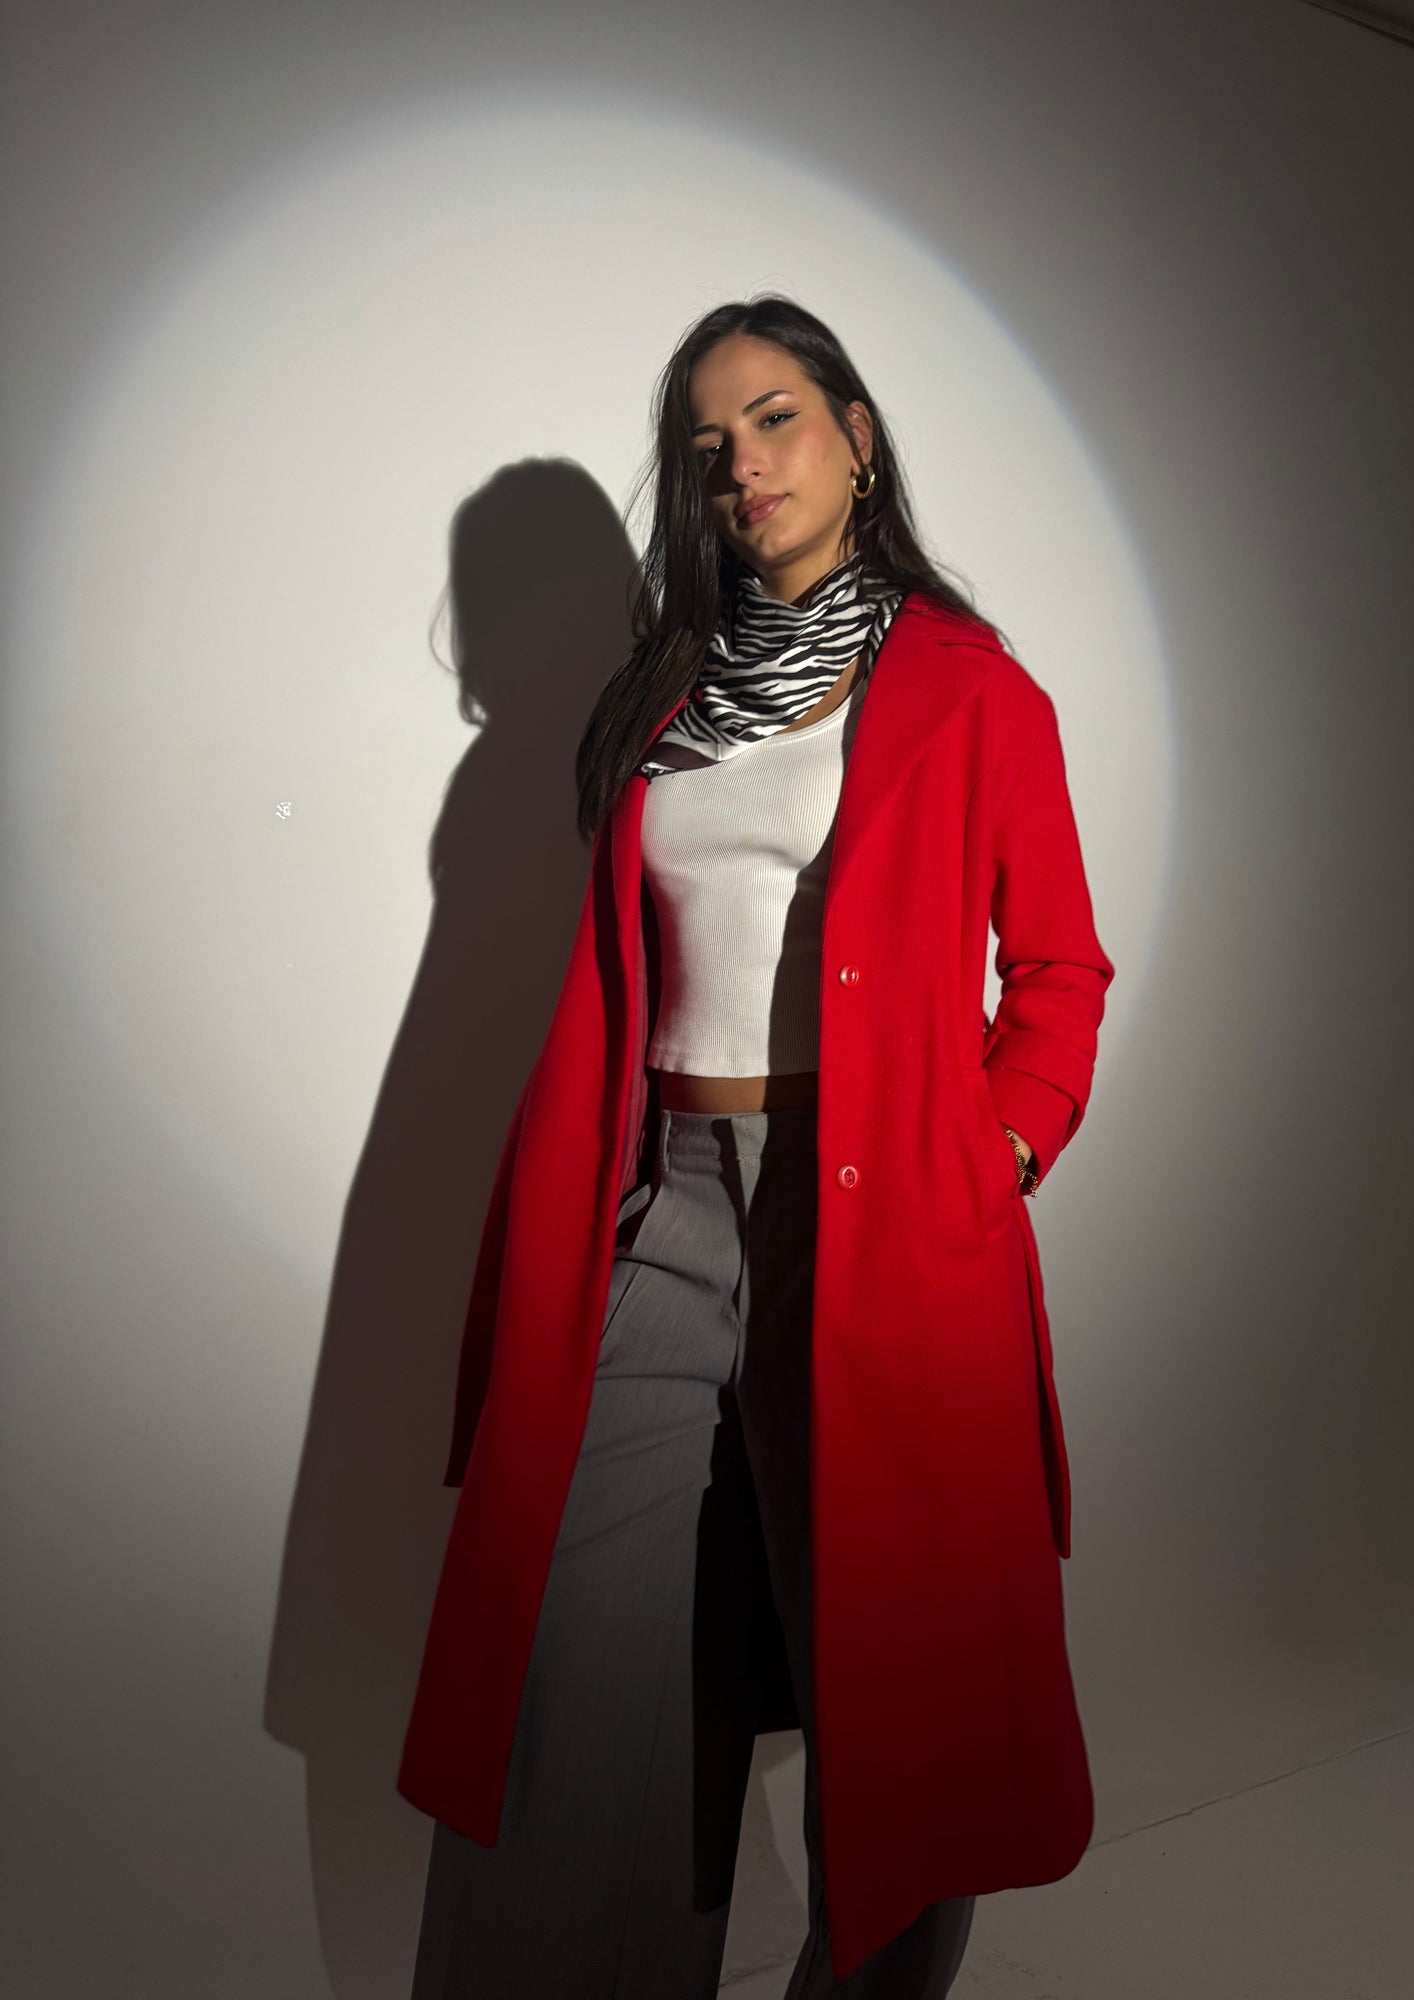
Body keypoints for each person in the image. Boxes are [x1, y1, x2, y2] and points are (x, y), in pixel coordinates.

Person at [401, 295, 1115, 1996]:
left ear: (857, 437)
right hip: (658, 1212)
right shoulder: (662, 701)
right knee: (579, 1675)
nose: (743, 464)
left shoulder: (972, 691)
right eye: (710, 442)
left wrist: (997, 1157)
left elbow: (1061, 972)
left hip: (877, 1225)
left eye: (776, 418)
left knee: (908, 1691)